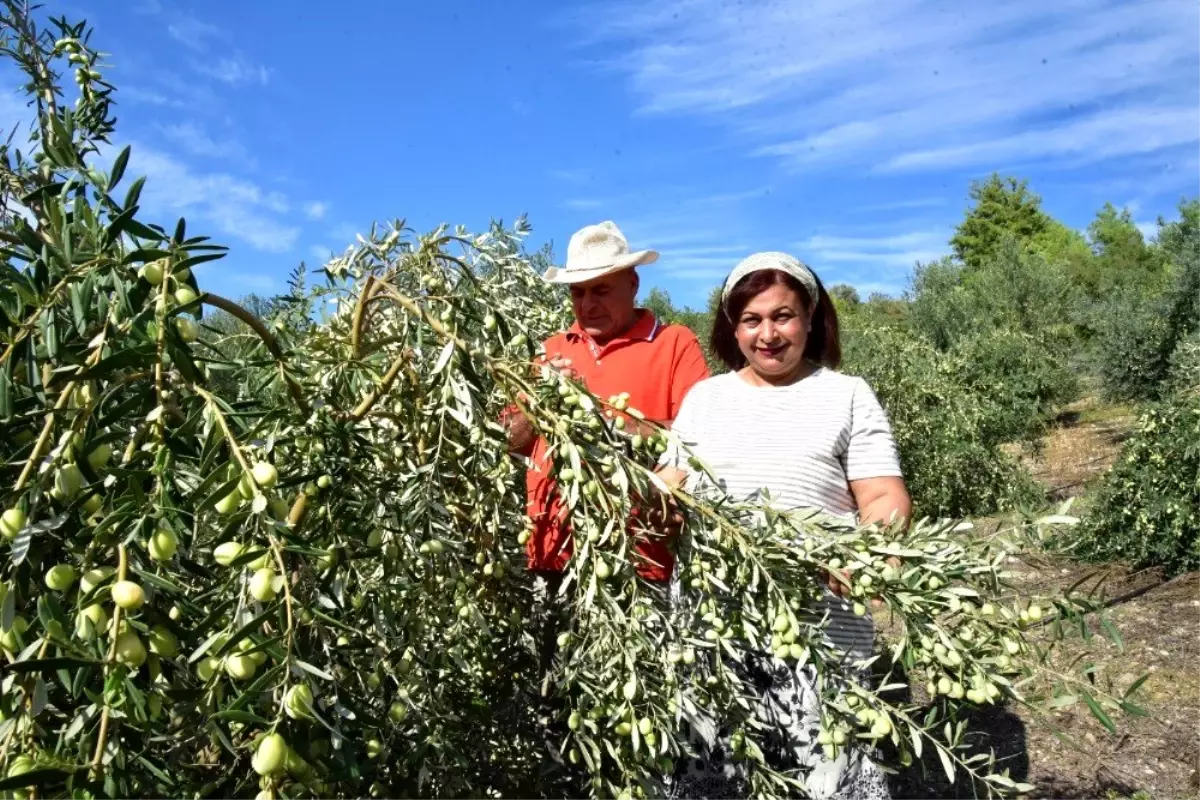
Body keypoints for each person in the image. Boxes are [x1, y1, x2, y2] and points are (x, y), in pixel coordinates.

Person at [660, 251, 911, 800]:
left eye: (783, 316)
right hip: (713, 628)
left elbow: (883, 495)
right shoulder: (706, 399)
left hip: (818, 627)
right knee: (716, 768)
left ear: (811, 319)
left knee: (823, 770)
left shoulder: (846, 395)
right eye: (752, 320)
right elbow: (672, 483)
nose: (767, 334)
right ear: (733, 327)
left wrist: (864, 554)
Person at [501, 220, 710, 676]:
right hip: (552, 553)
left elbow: (698, 439)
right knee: (557, 698)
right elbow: (510, 440)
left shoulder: (674, 343)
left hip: (641, 559)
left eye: (601, 290)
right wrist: (543, 402)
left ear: (632, 284)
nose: (587, 304)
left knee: (644, 692)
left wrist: (597, 417)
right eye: (578, 293)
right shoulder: (549, 352)